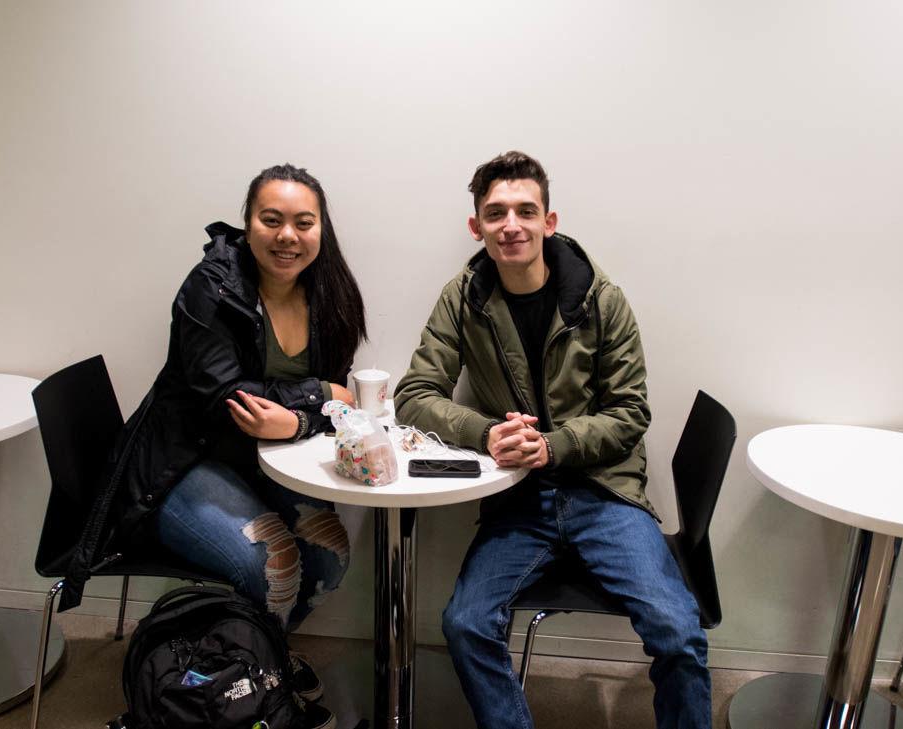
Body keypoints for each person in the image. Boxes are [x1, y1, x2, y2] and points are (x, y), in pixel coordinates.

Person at [394, 151, 711, 728]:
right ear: (477, 227)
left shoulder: (601, 298)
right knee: (464, 623)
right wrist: (486, 432)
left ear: (549, 220)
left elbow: (630, 412)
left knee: (678, 631)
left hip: (605, 494)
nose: (511, 224)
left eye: (524, 210)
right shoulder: (463, 298)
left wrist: (555, 445)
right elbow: (414, 395)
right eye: (495, 213)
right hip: (518, 499)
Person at [63, 164, 365, 729]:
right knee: (272, 563)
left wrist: (301, 419)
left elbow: (335, 407)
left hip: (268, 464)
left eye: (304, 223)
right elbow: (226, 398)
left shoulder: (331, 294)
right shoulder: (211, 286)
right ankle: (257, 692)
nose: (287, 236)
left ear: (322, 230)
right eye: (270, 220)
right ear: (248, 223)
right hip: (183, 462)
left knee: (329, 559)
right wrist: (314, 397)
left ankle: (253, 657)